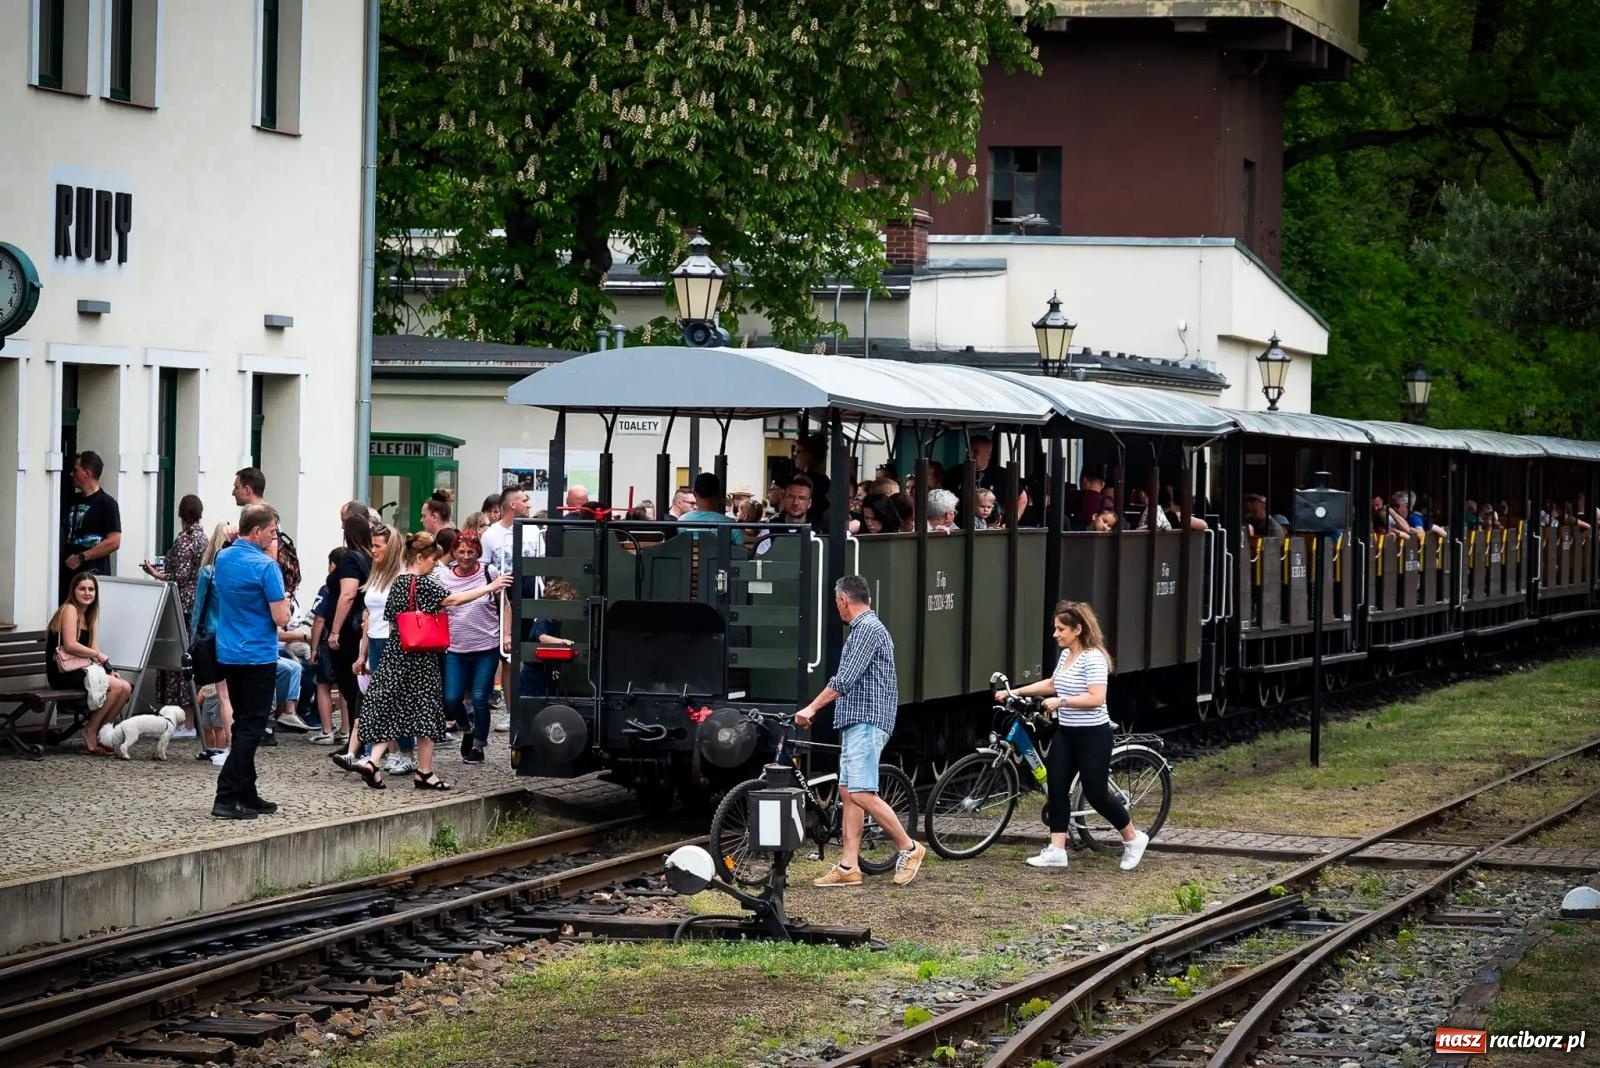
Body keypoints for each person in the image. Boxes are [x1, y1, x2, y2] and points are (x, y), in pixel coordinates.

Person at [995, 601, 1149, 872]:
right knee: (1056, 788)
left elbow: (1096, 697)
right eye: (1055, 628)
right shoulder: (1066, 655)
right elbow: (1052, 684)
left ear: (1078, 629)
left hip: (1093, 735)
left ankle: (1133, 838)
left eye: (1060, 629)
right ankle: (1057, 850)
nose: (1055, 634)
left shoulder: (1094, 658)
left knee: (1096, 793)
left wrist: (1061, 702)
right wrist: (1016, 693)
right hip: (1067, 733)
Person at [795, 575, 926, 888]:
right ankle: (848, 866)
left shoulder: (866, 630)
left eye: (836, 602)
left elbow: (845, 679)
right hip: (859, 720)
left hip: (868, 720)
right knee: (848, 792)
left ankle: (909, 847)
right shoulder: (867, 628)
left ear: (843, 600)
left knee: (861, 792)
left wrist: (812, 708)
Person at [354, 532, 509, 790]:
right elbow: (454, 600)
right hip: (421, 658)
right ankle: (425, 773)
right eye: (433, 560)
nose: (436, 565)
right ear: (419, 558)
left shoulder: (399, 583)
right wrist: (491, 587)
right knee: (427, 713)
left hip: (397, 653)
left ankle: (373, 762)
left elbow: (393, 621)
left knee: (395, 711)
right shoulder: (424, 583)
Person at [211, 505, 291, 820]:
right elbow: (280, 616)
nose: (275, 537)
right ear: (256, 532)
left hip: (229, 651)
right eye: (272, 531)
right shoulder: (267, 567)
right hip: (257, 654)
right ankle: (226, 794)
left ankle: (247, 791)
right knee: (254, 726)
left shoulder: (224, 558)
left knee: (243, 721)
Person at [48, 572, 135, 754]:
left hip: (83, 669)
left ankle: (104, 735)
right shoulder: (69, 610)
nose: (87, 593)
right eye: (82, 589)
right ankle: (90, 730)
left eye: (91, 589)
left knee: (125, 687)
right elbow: (70, 645)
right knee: (117, 688)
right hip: (64, 673)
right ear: (74, 591)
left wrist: (107, 671)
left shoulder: (89, 615)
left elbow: (94, 654)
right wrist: (97, 654)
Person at [142, 493, 206, 736]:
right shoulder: (204, 537)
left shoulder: (185, 540)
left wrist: (155, 573)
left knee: (177, 661)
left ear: (180, 514)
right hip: (196, 605)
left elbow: (178, 576)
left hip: (181, 605)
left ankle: (185, 722)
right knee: (190, 659)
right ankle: (193, 720)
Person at [440, 530, 504, 764]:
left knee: (479, 697)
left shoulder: (489, 572)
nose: (466, 556)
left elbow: (503, 605)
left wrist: (505, 634)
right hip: (456, 647)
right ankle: (467, 728)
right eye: (461, 552)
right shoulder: (444, 577)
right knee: (452, 698)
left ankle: (479, 744)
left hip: (486, 645)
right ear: (453, 552)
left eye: (470, 552)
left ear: (478, 551)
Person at [61, 451, 122, 603]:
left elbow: (114, 541)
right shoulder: (72, 500)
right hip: (68, 575)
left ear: (87, 473)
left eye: (75, 470)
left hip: (92, 577)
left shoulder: (106, 503)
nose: (71, 474)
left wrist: (82, 557)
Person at [678, 472, 745, 544]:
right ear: (718, 494)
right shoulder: (730, 524)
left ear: (694, 493)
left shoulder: (681, 521)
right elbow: (741, 551)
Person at [794, 434, 832, 524]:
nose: (795, 455)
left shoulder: (801, 480)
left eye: (798, 451)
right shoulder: (826, 481)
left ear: (810, 454)